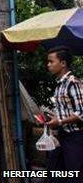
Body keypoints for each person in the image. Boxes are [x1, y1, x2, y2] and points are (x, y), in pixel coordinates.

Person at [45, 46, 83, 175]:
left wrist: (60, 121)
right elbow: (66, 111)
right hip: (63, 136)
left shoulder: (73, 83)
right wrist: (53, 118)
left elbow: (81, 113)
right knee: (54, 173)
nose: (48, 65)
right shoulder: (60, 85)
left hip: (75, 138)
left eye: (51, 61)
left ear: (63, 63)